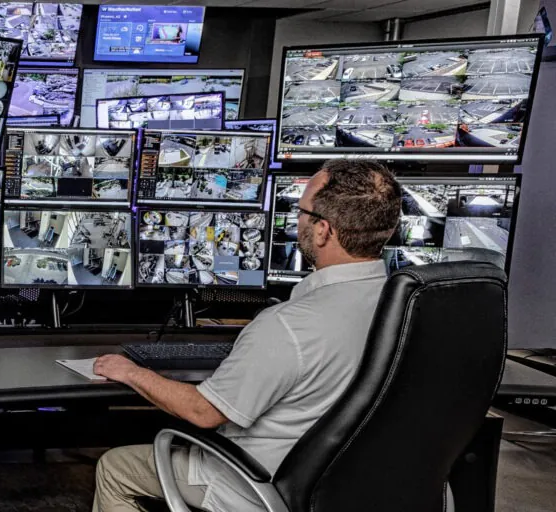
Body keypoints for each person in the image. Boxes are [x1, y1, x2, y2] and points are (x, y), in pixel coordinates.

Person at [92, 160, 403, 511]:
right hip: (351, 486)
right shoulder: (410, 309)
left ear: (322, 231)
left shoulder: (288, 325)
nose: (297, 220)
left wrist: (131, 372)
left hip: (257, 485)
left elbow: (203, 412)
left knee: (115, 468)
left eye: (301, 212)